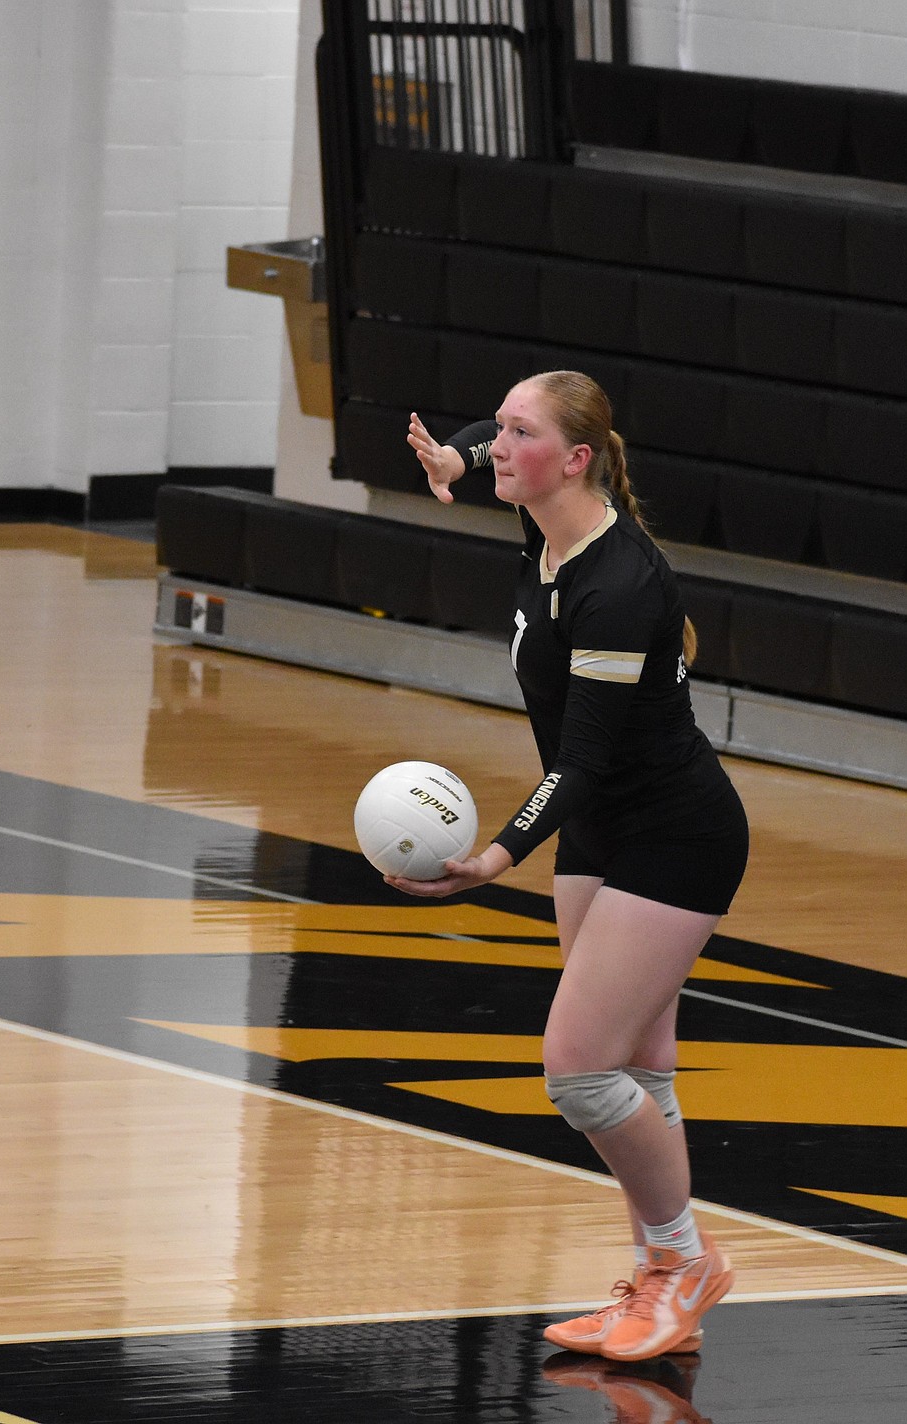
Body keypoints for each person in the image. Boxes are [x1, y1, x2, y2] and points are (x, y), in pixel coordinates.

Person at [391, 370, 749, 1362]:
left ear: (577, 459)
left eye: (518, 434)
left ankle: (682, 1261)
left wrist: (495, 855)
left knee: (580, 1071)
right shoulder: (546, 524)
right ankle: (663, 1288)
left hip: (674, 833)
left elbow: (580, 760)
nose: (498, 445)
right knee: (638, 1063)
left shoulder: (617, 582)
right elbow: (491, 434)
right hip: (603, 828)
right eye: (496, 431)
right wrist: (456, 457)